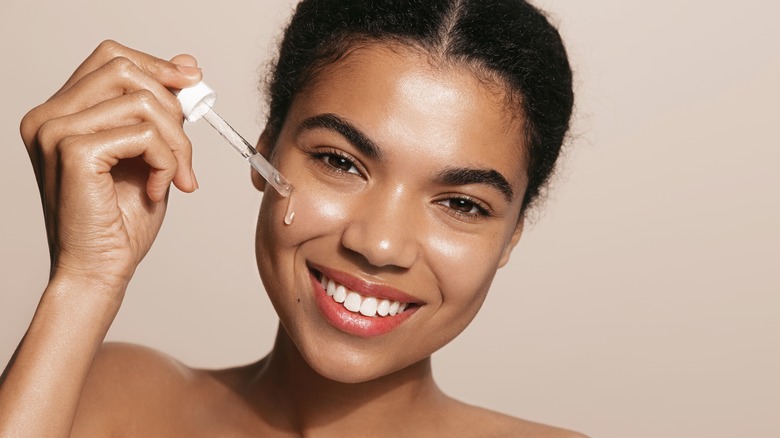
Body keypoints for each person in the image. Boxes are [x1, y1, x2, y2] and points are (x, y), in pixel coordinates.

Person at [0, 0, 583, 436]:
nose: (379, 245)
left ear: (511, 235)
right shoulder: (107, 402)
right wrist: (85, 281)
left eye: (462, 204)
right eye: (340, 162)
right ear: (265, 150)